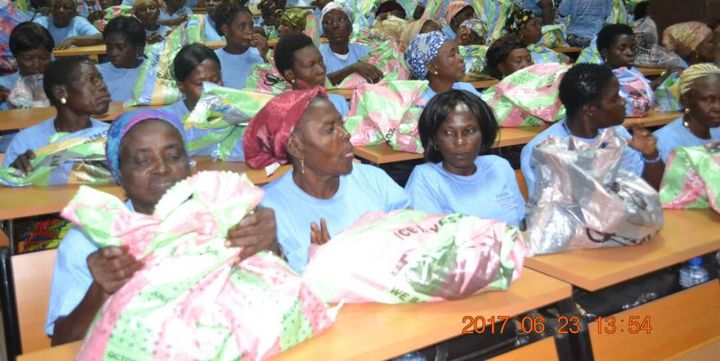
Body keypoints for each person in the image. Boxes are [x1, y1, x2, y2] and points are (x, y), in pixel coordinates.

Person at [46, 109, 279, 345]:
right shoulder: (90, 240)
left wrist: (270, 247)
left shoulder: (222, 215)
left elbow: (279, 298)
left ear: (189, 166)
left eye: (174, 156)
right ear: (119, 173)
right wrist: (100, 290)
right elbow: (62, 344)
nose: (162, 168)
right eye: (142, 161)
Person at [243, 88, 410, 273]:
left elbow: (417, 242)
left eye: (342, 124)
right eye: (330, 130)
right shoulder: (268, 209)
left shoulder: (373, 180)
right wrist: (322, 271)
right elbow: (272, 287)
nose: (345, 134)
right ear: (295, 147)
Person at [520, 63, 663, 198]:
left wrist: (651, 155)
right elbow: (547, 213)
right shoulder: (542, 149)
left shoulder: (616, 133)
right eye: (614, 98)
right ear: (589, 109)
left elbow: (646, 193)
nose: (623, 101)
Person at [406, 89, 525, 226]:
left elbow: (521, 223)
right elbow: (430, 241)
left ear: (483, 133)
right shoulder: (426, 178)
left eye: (469, 131)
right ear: (435, 139)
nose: (460, 142)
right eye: (449, 133)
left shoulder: (499, 167)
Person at [3, 57, 111, 171]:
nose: (102, 85)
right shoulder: (26, 142)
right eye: (91, 79)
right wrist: (14, 173)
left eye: (101, 78)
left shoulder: (111, 136)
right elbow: (7, 184)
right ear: (60, 93)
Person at [163, 43, 246, 160]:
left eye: (216, 81)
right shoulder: (165, 122)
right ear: (181, 86)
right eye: (200, 84)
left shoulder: (235, 112)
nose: (210, 91)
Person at [654, 63, 720, 162]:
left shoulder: (717, 130)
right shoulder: (664, 143)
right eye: (708, 100)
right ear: (685, 101)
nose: (718, 107)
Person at [274, 32, 348, 116]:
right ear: (290, 75)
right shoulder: (282, 112)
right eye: (310, 65)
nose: (321, 70)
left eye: (320, 61)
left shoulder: (337, 102)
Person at [404, 31, 482, 104]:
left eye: (458, 53)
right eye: (452, 55)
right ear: (433, 68)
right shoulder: (422, 104)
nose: (461, 58)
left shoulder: (466, 89)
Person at [319, 1, 383, 85]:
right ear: (323, 31)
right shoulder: (318, 54)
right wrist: (353, 68)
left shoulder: (365, 52)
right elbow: (317, 82)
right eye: (328, 22)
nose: (335, 25)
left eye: (341, 19)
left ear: (351, 28)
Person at [213, 4, 267, 90]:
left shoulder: (259, 54)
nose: (249, 31)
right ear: (225, 30)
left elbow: (269, 87)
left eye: (251, 26)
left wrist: (264, 58)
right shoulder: (214, 59)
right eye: (242, 26)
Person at [96, 16, 144, 102]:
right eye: (109, 46)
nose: (112, 53)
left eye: (120, 47)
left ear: (138, 48)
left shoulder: (153, 72)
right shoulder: (97, 74)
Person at [6, 21, 53, 109]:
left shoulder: (60, 80)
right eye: (28, 58)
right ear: (15, 57)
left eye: (43, 58)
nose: (37, 65)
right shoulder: (5, 87)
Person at [33, 0, 103, 49]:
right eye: (56, 6)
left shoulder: (79, 22)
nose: (60, 10)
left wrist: (73, 40)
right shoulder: (42, 22)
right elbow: (25, 36)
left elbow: (100, 38)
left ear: (75, 12)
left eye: (66, 7)